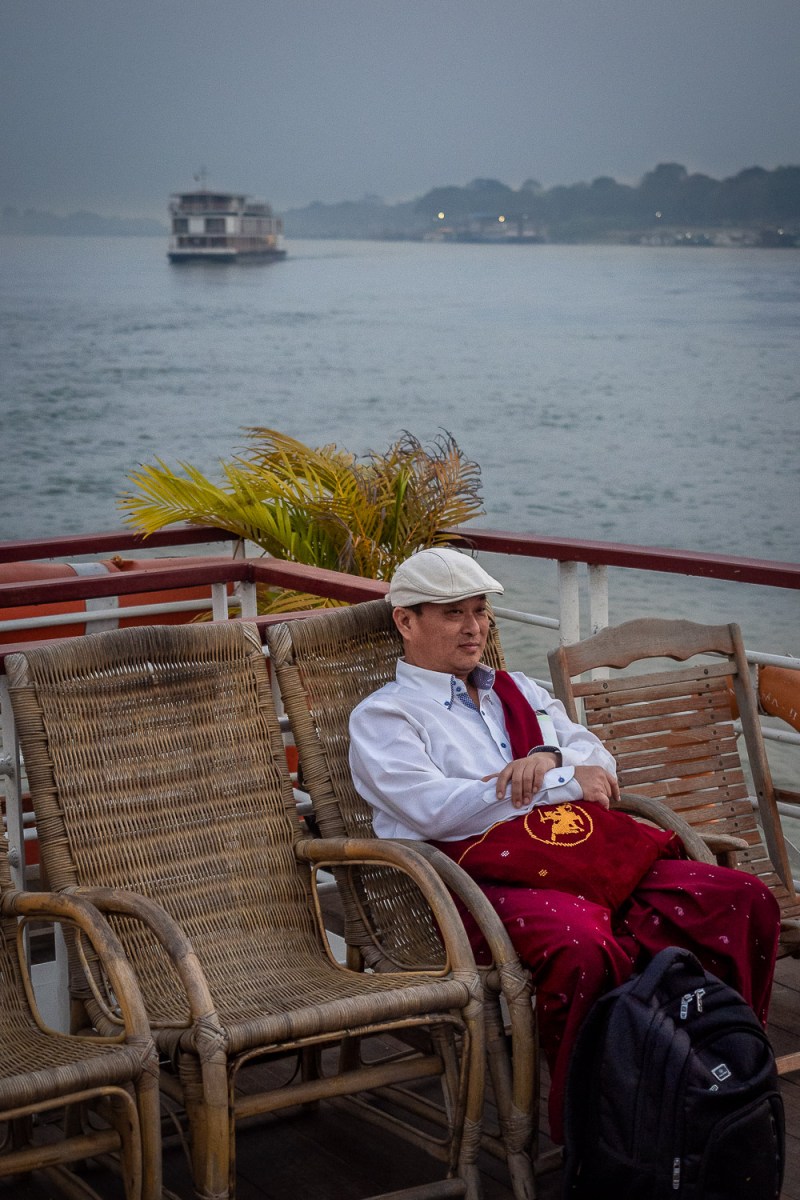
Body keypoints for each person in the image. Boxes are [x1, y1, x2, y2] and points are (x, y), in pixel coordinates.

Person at [348, 546, 780, 1144]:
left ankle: (715, 1077)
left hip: (577, 856)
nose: (475, 628)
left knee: (742, 898)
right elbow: (433, 810)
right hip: (474, 884)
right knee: (583, 948)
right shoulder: (386, 717)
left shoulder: (518, 690)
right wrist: (556, 779)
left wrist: (544, 764)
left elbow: (599, 762)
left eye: (481, 611)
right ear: (405, 620)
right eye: (454, 613)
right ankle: (605, 1128)